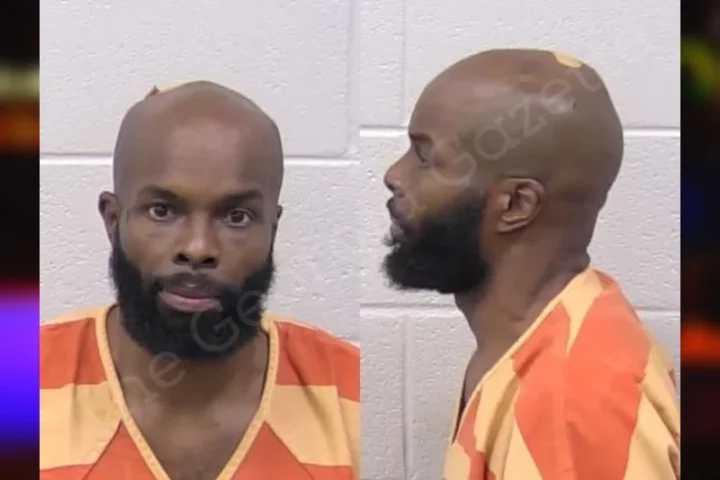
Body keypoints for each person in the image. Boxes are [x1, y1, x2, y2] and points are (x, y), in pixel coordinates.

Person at [381, 49, 679, 479]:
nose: (393, 174)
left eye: (424, 157)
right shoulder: (535, 338)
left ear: (516, 205)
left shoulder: (573, 407)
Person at [40, 82, 359, 480]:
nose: (198, 248)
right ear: (113, 219)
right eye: (162, 211)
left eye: (236, 217)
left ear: (272, 230)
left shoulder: (351, 392)